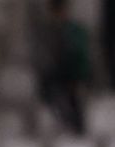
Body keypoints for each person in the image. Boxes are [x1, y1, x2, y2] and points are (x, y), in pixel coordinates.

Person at [39, 0, 94, 134]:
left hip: (73, 77)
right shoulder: (46, 33)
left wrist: (81, 78)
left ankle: (75, 127)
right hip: (55, 81)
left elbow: (82, 58)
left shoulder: (75, 31)